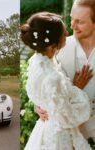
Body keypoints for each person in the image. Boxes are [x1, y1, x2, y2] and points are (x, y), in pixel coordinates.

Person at [21, 11, 92, 150]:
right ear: (53, 43)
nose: (68, 34)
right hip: (57, 137)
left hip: (43, 129)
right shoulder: (52, 77)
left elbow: (41, 94)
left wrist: (41, 105)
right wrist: (76, 89)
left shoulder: (36, 61)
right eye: (64, 34)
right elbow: (67, 118)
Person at [37, 0, 95, 141]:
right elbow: (41, 81)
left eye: (80, 22)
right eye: (71, 18)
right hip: (65, 134)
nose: (72, 26)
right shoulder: (56, 47)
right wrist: (39, 105)